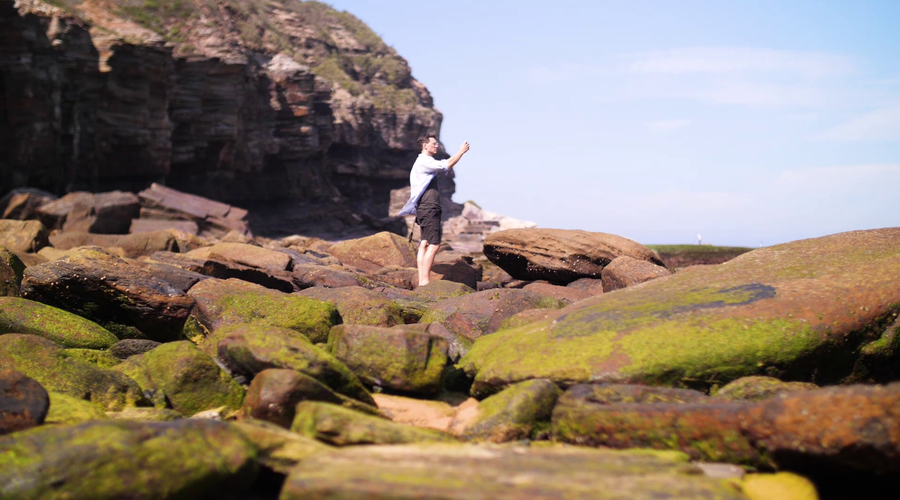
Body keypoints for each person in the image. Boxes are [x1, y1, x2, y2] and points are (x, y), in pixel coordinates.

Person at [398, 133, 470, 287]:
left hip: (424, 208)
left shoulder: (422, 161)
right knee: (434, 244)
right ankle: (424, 281)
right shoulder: (424, 161)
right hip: (429, 207)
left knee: (424, 242)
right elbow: (447, 165)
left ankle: (423, 279)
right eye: (434, 144)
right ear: (425, 146)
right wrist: (461, 152)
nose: (437, 146)